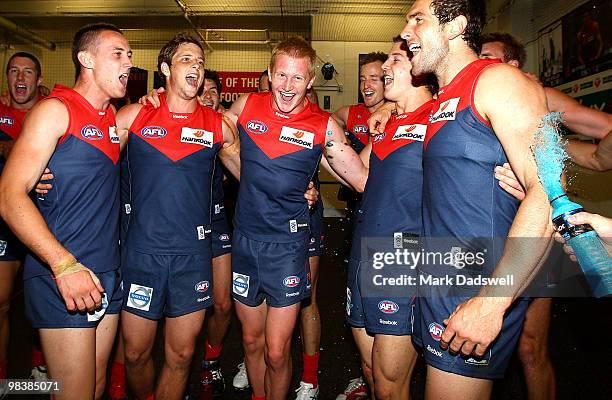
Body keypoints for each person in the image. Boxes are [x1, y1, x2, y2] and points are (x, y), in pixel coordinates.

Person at [371, 1, 553, 398]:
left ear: (455, 26)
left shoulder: (499, 82)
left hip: (476, 288)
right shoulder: (443, 99)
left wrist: (492, 304)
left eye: (418, 19)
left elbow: (548, 195)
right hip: (437, 279)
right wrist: (387, 106)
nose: (406, 31)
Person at [223, 36, 368, 400]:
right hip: (244, 241)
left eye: (297, 78)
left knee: (276, 349)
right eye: (281, 76)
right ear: (270, 74)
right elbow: (210, 136)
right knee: (252, 343)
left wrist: (391, 127)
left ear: (311, 81)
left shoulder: (323, 125)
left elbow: (362, 179)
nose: (287, 87)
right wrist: (158, 99)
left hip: (287, 248)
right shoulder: (246, 106)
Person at [0, 23, 132, 399]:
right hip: (65, 274)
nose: (128, 62)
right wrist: (63, 265)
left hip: (106, 271)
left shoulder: (110, 117)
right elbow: (9, 196)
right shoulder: (55, 111)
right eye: (118, 53)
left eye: (130, 55)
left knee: (94, 386)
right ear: (86, 59)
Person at [481, 31, 612, 400]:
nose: (481, 64)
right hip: (480, 231)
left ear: (513, 65)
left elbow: (601, 135)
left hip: (532, 231)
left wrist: (548, 184)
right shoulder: (469, 95)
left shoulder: (538, 98)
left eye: (489, 58)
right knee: (472, 340)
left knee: (529, 346)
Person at [117, 33, 241, 400]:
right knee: (136, 354)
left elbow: (255, 178)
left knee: (182, 354)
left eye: (201, 63)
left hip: (192, 257)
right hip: (141, 255)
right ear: (166, 69)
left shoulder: (218, 126)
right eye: (188, 60)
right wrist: (46, 178)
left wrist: (303, 188)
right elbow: (90, 162)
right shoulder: (135, 115)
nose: (197, 68)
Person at [347, 36, 434, 400]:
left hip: (403, 255)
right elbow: (358, 174)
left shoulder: (441, 116)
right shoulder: (390, 122)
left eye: (396, 60)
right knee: (371, 373)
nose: (384, 68)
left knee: (390, 384)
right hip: (362, 250)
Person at [0, 51, 45, 384]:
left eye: (27, 72)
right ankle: (2, 375)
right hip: (4, 221)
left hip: (42, 221)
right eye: (14, 71)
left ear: (38, 80)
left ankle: (40, 365)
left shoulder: (51, 113)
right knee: (1, 303)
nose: (20, 78)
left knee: (42, 305)